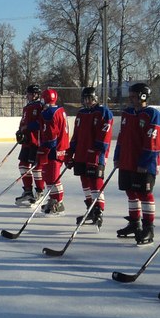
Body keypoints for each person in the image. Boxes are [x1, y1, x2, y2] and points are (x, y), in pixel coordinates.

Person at [113, 82, 160, 245]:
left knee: (144, 194)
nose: (131, 99)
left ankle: (148, 228)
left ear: (143, 96)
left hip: (143, 164)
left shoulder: (152, 115)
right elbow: (121, 137)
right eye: (130, 96)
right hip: (127, 161)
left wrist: (144, 162)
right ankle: (134, 224)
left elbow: (154, 142)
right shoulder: (127, 113)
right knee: (130, 192)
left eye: (134, 96)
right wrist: (117, 156)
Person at [64, 86, 113, 227]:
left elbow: (105, 136)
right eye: (85, 98)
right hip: (81, 155)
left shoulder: (104, 113)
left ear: (96, 98)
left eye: (90, 98)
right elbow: (77, 135)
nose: (87, 101)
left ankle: (98, 210)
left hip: (96, 156)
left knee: (95, 182)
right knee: (85, 182)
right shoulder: (81, 113)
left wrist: (97, 152)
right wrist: (70, 152)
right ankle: (90, 208)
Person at [38, 88, 70, 216]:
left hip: (54, 149)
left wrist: (44, 149)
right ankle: (53, 199)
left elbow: (51, 136)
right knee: (49, 177)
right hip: (61, 148)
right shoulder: (60, 110)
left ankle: (59, 202)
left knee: (52, 178)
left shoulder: (49, 113)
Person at [14, 84, 46, 207]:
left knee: (36, 167)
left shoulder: (40, 106)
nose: (27, 96)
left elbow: (41, 123)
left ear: (35, 94)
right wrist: (20, 131)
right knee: (23, 165)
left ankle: (40, 191)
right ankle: (28, 191)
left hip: (35, 142)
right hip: (27, 142)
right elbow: (23, 121)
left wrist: (28, 128)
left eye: (29, 93)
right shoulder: (27, 107)